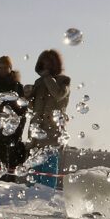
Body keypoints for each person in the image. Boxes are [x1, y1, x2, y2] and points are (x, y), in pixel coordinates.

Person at [21, 49, 71, 189]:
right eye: (43, 64)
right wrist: (27, 96)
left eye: (49, 64)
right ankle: (31, 198)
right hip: (36, 134)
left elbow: (59, 95)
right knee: (34, 174)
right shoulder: (39, 82)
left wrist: (48, 78)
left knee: (48, 173)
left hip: (52, 134)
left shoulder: (64, 81)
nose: (46, 67)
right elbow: (33, 107)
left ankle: (46, 199)